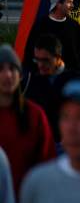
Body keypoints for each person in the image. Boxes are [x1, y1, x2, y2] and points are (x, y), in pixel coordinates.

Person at [0, 45, 55, 194]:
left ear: (21, 75)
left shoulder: (34, 115)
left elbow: (47, 162)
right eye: (1, 69)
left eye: (12, 69)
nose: (8, 75)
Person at [23, 35, 80, 143]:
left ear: (58, 58)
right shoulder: (32, 81)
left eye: (45, 60)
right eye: (37, 60)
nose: (40, 65)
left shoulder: (75, 80)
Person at [24, 0, 80, 77]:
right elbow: (30, 52)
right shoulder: (41, 25)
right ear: (58, 4)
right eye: (69, 2)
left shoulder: (73, 25)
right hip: (46, 79)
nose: (72, 5)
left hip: (72, 79)